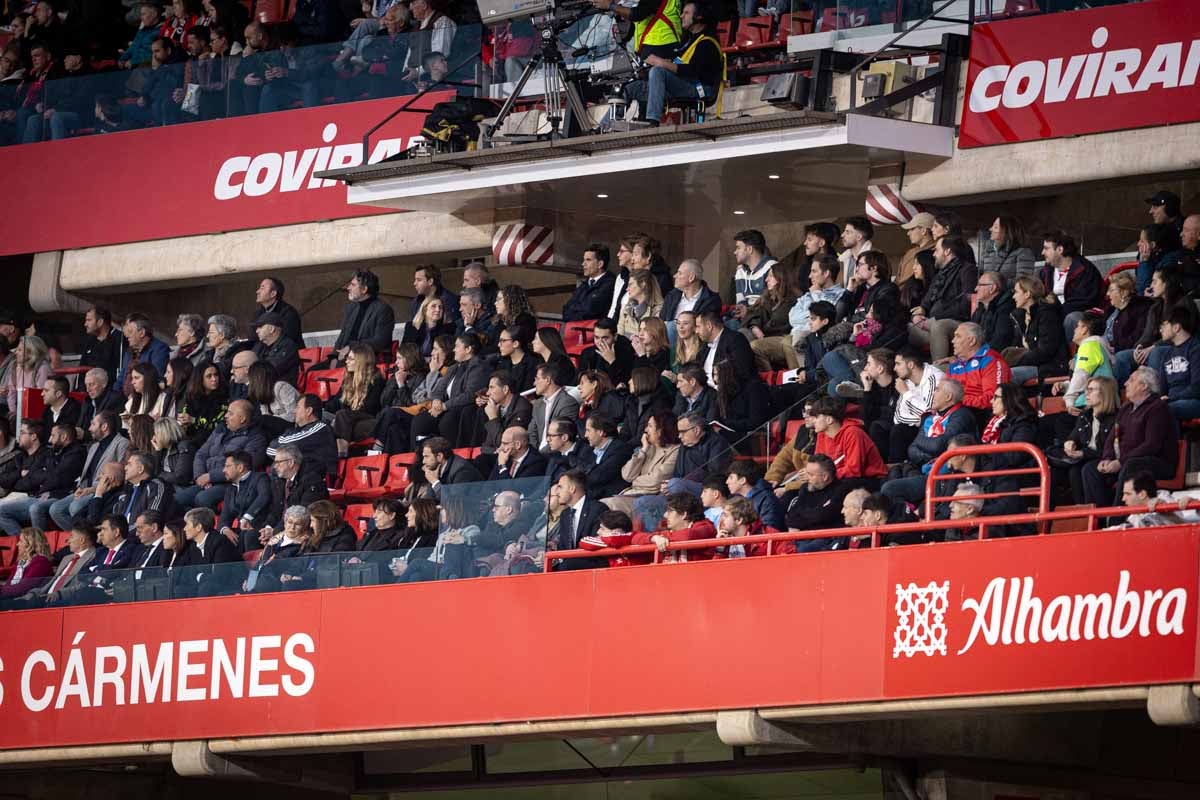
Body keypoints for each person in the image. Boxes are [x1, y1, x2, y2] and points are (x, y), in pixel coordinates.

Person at [1081, 367, 1179, 508]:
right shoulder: (1126, 408)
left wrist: (1120, 462)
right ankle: (1099, 520)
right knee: (1090, 469)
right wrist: (1107, 458)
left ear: (1144, 386)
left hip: (1157, 462)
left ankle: (1117, 517)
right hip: (1126, 461)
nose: (1126, 383)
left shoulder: (1158, 407)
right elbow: (1111, 437)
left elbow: (1152, 445)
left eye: (1131, 380)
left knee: (1131, 466)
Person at [621, 0, 721, 124]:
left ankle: (652, 122)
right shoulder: (687, 41)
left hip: (698, 88)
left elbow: (693, 71)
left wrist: (661, 63)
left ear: (698, 17)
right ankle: (606, 126)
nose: (681, 16)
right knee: (628, 88)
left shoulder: (707, 42)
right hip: (682, 85)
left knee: (658, 71)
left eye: (686, 13)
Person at [175, 399, 266, 510]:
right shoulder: (221, 429)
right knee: (177, 499)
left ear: (242, 419)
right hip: (206, 479)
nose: (225, 416)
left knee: (202, 498)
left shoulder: (256, 438)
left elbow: (242, 467)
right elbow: (201, 454)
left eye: (230, 413)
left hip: (231, 483)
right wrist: (200, 475)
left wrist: (211, 477)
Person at [48, 411, 129, 530]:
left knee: (75, 508)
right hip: (85, 489)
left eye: (93, 424)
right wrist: (80, 488)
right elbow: (87, 474)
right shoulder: (94, 446)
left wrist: (93, 489)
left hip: (103, 490)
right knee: (55, 510)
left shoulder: (122, 443)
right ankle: (78, 538)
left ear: (104, 426)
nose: (89, 429)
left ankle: (85, 538)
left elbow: (120, 476)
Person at [763, 253, 844, 370]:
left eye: (814, 271)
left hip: (811, 337)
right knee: (756, 347)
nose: (810, 276)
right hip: (793, 334)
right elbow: (792, 318)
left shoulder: (840, 294)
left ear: (826, 274)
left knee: (793, 339)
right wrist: (810, 310)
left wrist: (815, 295)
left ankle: (803, 380)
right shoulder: (809, 293)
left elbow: (822, 317)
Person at [0, 421, 83, 534]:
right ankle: (26, 543)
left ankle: (39, 545)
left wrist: (40, 477)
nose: (50, 440)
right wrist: (20, 475)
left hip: (56, 495)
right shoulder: (22, 455)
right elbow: (5, 480)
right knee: (1, 511)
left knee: (36, 508)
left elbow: (53, 478)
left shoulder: (75, 453)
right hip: (38, 494)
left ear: (64, 437)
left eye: (53, 436)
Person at [411, 332, 490, 447]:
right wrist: (437, 400)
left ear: (468, 349)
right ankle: (419, 456)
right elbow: (438, 390)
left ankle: (450, 457)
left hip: (460, 408)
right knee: (420, 420)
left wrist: (444, 406)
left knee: (447, 421)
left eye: (457, 346)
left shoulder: (478, 366)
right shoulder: (453, 367)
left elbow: (470, 394)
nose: (454, 350)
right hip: (443, 408)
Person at [1050, 375, 1119, 507]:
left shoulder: (1116, 418)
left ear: (1104, 393)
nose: (1086, 393)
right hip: (1085, 458)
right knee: (1059, 472)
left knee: (1083, 469)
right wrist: (1069, 442)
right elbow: (1073, 436)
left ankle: (1094, 516)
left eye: (1091, 390)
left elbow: (1110, 452)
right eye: (1087, 389)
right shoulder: (1085, 415)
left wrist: (1083, 454)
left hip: (1103, 460)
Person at [604, 410, 679, 526]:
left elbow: (655, 481)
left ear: (661, 430)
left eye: (650, 426)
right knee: (599, 505)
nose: (646, 430)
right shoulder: (648, 448)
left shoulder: (675, 451)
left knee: (607, 505)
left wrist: (636, 480)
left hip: (649, 497)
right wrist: (643, 450)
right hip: (632, 495)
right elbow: (627, 475)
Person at [909, 236, 979, 361]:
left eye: (936, 250)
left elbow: (966, 304)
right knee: (906, 328)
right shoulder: (941, 273)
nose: (934, 254)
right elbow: (928, 300)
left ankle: (938, 370)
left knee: (939, 326)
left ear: (947, 251)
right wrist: (922, 311)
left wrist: (935, 318)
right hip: (933, 320)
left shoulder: (967, 270)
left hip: (956, 321)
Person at [0, 525, 98, 610]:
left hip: (60, 599)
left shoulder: (94, 556)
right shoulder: (66, 558)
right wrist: (31, 595)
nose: (68, 541)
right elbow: (49, 584)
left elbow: (84, 584)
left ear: (82, 540)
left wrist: (59, 594)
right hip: (42, 596)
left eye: (71, 536)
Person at [1116, 268, 1188, 384]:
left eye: (1155, 282)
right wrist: (1139, 347)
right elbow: (1147, 334)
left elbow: (1180, 335)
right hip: (1153, 348)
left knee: (1156, 353)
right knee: (1122, 357)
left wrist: (1152, 347)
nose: (1151, 286)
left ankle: (1155, 398)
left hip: (1177, 348)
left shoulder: (1183, 304)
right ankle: (1123, 396)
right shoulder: (1155, 308)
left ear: (1167, 283)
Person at [1038, 230, 1102, 341]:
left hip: (1078, 314)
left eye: (1046, 248)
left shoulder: (1084, 270)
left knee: (1071, 318)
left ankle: (1067, 357)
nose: (1042, 252)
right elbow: (1039, 294)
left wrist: (1052, 312)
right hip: (1051, 312)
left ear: (1060, 249)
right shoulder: (1046, 270)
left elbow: (1082, 303)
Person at [1007, 275, 1069, 386]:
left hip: (1049, 367)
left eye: (1016, 292)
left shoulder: (1047, 314)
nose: (1013, 297)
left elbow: (1045, 351)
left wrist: (1017, 361)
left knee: (1006, 376)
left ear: (1027, 294)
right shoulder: (1021, 316)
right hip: (1033, 364)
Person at [809, 395, 886, 484]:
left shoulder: (853, 433)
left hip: (871, 478)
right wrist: (810, 474)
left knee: (841, 487)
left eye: (816, 417)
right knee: (806, 488)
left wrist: (823, 476)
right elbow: (818, 464)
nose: (813, 421)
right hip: (838, 477)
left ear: (829, 420)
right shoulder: (821, 435)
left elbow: (854, 470)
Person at [326, 343, 385, 454]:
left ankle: (342, 454)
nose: (346, 361)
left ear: (361, 362)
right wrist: (321, 406)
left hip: (367, 422)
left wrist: (341, 419)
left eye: (351, 359)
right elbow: (336, 402)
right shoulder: (348, 380)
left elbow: (370, 409)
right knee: (322, 416)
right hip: (348, 423)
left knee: (342, 415)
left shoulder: (376, 381)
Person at [785, 455, 851, 551]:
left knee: (801, 551)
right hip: (803, 537)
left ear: (825, 477)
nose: (807, 478)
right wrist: (816, 512)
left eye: (811, 475)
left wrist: (803, 515)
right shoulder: (805, 488)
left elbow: (825, 515)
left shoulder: (841, 490)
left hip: (827, 539)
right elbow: (791, 517)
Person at [1052, 310, 1114, 414]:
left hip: (1091, 405)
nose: (1074, 330)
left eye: (1077, 326)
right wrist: (1066, 386)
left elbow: (1081, 375)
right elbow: (1087, 378)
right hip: (1097, 402)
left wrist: (1069, 400)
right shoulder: (1096, 346)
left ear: (1084, 329)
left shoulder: (1090, 345)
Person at [330, 270, 395, 367]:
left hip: (365, 360)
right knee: (312, 372)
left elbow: (381, 341)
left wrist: (352, 347)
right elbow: (342, 336)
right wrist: (333, 358)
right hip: (343, 358)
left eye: (353, 285)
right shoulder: (351, 308)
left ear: (364, 289)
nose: (348, 288)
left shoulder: (383, 310)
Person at [259, 444, 327, 536]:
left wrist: (275, 532)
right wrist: (268, 528)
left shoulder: (311, 481)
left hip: (300, 530)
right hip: (281, 528)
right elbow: (276, 510)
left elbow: (302, 514)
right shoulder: (279, 482)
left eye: (278, 462)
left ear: (290, 463)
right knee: (252, 536)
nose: (275, 466)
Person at [945, 322, 1012, 415]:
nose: (953, 341)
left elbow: (993, 399)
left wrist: (960, 400)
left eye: (958, 336)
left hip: (980, 414)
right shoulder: (954, 366)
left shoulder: (992, 361)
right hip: (956, 412)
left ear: (972, 341)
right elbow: (945, 394)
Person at [742, 263, 799, 370]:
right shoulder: (767, 298)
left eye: (771, 276)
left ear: (781, 278)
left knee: (755, 346)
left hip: (784, 337)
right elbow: (752, 315)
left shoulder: (793, 300)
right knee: (742, 333)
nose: (766, 280)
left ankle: (769, 378)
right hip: (765, 336)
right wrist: (754, 327)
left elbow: (778, 322)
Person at [216, 450, 271, 551]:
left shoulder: (260, 478)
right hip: (242, 531)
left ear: (240, 468)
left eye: (228, 466)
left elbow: (264, 497)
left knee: (248, 536)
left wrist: (247, 518)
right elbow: (224, 517)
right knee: (219, 539)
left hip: (261, 527)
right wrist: (225, 530)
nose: (224, 470)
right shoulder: (230, 489)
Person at [477, 372, 533, 469]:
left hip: (513, 459)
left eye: (492, 387)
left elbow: (507, 444)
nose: (487, 393)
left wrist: (493, 418)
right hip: (496, 455)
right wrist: (494, 451)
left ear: (505, 389)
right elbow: (485, 446)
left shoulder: (522, 409)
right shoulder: (496, 407)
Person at [1155, 305, 1200, 421]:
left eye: (1164, 325)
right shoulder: (1167, 354)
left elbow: (1196, 388)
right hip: (1172, 401)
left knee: (1166, 410)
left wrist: (1171, 398)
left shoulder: (1196, 349)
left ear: (1176, 327)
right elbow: (1162, 388)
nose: (1160, 330)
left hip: (1193, 401)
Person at [714, 495, 794, 558]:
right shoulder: (724, 539)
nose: (721, 520)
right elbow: (715, 573)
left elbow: (789, 560)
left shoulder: (769, 535)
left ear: (739, 520)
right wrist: (720, 550)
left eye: (725, 516)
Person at [711, 358, 771, 441]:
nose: (715, 379)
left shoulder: (753, 388)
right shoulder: (723, 393)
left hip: (748, 435)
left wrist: (726, 424)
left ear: (728, 375)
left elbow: (755, 422)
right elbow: (716, 418)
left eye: (717, 375)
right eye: (714, 375)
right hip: (728, 432)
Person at [110, 451, 174, 526]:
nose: (125, 468)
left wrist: (127, 533)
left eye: (129, 464)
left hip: (139, 535)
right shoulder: (128, 490)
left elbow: (152, 518)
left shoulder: (155, 486)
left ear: (140, 469)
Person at [578, 414, 633, 498]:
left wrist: (577, 480)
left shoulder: (620, 449)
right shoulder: (590, 451)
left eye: (588, 430)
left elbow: (598, 476)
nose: (585, 435)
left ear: (600, 432)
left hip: (610, 498)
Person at [528, 363, 581, 452]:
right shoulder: (538, 404)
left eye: (537, 379)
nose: (534, 383)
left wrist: (540, 456)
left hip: (556, 455)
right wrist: (534, 455)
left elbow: (561, 438)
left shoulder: (567, 403)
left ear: (548, 380)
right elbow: (532, 433)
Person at [698, 309, 755, 385]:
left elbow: (741, 372)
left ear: (709, 326)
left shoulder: (736, 340)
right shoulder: (705, 346)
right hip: (707, 393)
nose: (696, 331)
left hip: (730, 393)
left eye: (698, 326)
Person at [178, 361, 229, 446]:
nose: (214, 379)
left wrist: (194, 420)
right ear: (200, 379)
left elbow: (218, 425)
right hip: (192, 438)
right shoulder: (191, 397)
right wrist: (184, 422)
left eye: (216, 375)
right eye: (209, 376)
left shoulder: (224, 397)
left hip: (213, 441)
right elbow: (186, 416)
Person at [563, 244, 616, 321]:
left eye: (588, 260)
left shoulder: (610, 284)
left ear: (600, 264)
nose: (583, 264)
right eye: (584, 260)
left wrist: (575, 310)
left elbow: (590, 310)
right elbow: (566, 310)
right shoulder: (585, 284)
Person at [725, 460, 783, 529]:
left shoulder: (767, 499)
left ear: (742, 480)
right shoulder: (734, 500)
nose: (727, 482)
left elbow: (769, 529)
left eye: (731, 477)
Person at [660, 259, 722, 324]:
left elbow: (704, 328)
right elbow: (661, 322)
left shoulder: (711, 300)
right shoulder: (671, 296)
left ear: (691, 278)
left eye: (680, 273)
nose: (674, 276)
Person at [1105, 271, 1152, 355]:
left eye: (1111, 290)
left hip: (1121, 353)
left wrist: (1114, 348)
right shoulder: (1111, 309)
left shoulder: (1139, 310)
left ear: (1123, 292)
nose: (1107, 294)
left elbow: (1135, 338)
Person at [0, 527, 54, 599]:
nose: (17, 544)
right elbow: (9, 585)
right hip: (12, 598)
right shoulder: (21, 562)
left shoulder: (41, 562)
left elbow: (22, 589)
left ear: (31, 544)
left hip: (25, 601)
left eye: (21, 541)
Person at [1135, 222, 1186, 298]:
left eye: (1142, 241)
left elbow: (1144, 291)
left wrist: (1145, 262)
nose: (1138, 244)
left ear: (1152, 245)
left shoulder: (1169, 261)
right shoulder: (1150, 256)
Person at [250, 277, 304, 347]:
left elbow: (286, 340)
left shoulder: (289, 313)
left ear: (273, 293)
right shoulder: (257, 314)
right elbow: (252, 337)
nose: (257, 291)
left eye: (262, 288)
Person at [970, 271, 1016, 353]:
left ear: (992, 288)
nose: (976, 288)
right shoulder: (981, 307)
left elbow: (999, 343)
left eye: (980, 285)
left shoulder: (1006, 309)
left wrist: (974, 356)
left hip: (992, 358)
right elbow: (969, 333)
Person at [251, 312, 301, 386]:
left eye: (260, 327)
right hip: (261, 388)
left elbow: (270, 370)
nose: (256, 331)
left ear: (271, 329)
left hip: (280, 392)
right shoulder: (260, 346)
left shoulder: (288, 346)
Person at [80, 306, 125, 385]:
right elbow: (82, 368)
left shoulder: (119, 339)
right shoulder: (89, 341)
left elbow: (121, 370)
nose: (85, 324)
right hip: (89, 390)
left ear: (100, 322)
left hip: (111, 391)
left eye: (89, 320)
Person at [981, 216, 1036, 281]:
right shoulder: (988, 251)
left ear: (1006, 231)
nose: (990, 229)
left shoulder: (1023, 253)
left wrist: (999, 285)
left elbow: (1023, 282)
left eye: (995, 227)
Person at [77, 367, 126, 440]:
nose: (88, 389)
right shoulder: (87, 401)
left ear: (104, 384)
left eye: (91, 384)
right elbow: (80, 425)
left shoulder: (115, 399)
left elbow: (110, 431)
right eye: (86, 385)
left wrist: (85, 435)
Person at [403, 295, 456, 359]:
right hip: (414, 363)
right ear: (425, 309)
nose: (438, 309)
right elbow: (404, 350)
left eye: (440, 307)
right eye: (433, 306)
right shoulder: (411, 327)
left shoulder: (447, 329)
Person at [617, 269, 665, 340]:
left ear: (643, 284)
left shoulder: (658, 310)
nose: (627, 289)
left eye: (630, 284)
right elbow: (619, 337)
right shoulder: (627, 309)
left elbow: (654, 340)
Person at [494, 327, 538, 394]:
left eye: (503, 341)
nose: (499, 345)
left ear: (515, 344)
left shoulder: (532, 364)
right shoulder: (502, 362)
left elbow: (527, 392)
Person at [838, 217, 874, 290]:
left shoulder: (875, 258)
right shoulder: (842, 259)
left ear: (859, 237)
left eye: (847, 232)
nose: (842, 235)